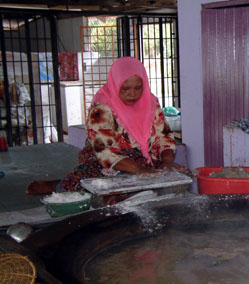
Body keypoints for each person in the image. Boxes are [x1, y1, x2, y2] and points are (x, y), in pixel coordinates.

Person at [26, 57, 189, 197]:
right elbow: (104, 150)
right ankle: (57, 186)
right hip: (106, 158)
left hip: (142, 157)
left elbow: (163, 136)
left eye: (138, 88)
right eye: (125, 88)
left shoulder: (150, 102)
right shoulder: (102, 108)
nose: (132, 94)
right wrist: (138, 170)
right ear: (116, 83)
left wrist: (167, 161)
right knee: (101, 191)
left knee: (170, 182)